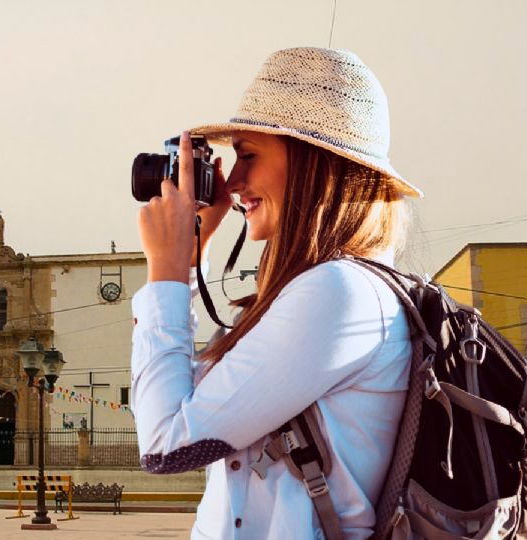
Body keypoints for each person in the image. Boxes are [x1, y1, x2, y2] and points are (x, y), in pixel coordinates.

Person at [132, 47, 422, 539]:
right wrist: (188, 258)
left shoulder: (341, 293)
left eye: (247, 155)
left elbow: (165, 443)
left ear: (313, 164)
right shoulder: (320, 292)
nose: (236, 181)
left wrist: (166, 272)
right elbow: (184, 399)